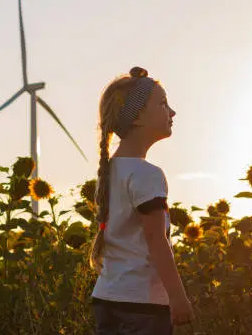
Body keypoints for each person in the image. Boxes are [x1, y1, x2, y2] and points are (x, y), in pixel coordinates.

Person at [89, 66, 194, 334]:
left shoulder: (109, 171)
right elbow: (156, 239)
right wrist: (177, 297)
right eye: (162, 103)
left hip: (106, 297)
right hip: (143, 305)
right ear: (136, 117)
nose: (172, 112)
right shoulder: (146, 174)